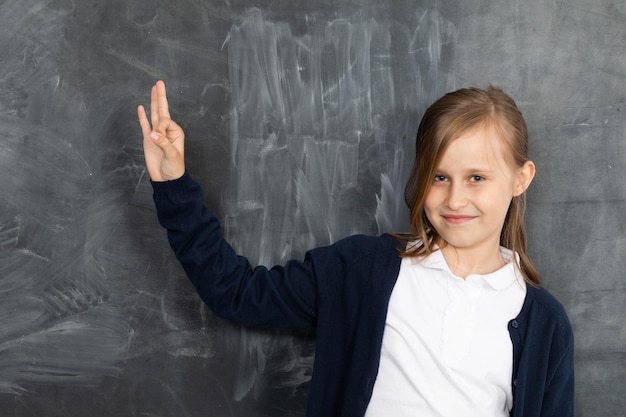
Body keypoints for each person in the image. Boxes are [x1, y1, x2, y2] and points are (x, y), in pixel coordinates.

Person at [137, 80, 574, 417]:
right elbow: (236, 293)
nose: (455, 199)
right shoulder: (364, 270)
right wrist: (174, 186)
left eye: (476, 177)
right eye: (440, 177)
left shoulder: (544, 324)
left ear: (521, 178)